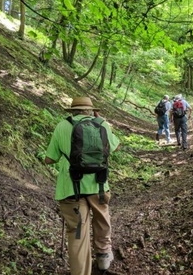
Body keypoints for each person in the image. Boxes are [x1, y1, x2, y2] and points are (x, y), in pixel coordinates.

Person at [45, 97, 120, 275]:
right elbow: (115, 147)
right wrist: (100, 121)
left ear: (72, 111)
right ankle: (103, 257)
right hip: (99, 186)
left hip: (71, 188)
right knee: (102, 218)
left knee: (78, 232)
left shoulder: (62, 126)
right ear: (91, 110)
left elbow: (50, 159)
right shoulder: (102, 124)